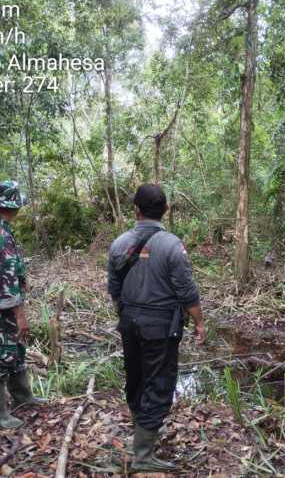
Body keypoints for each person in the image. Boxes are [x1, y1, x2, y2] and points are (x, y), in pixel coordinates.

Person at [108, 184, 205, 473]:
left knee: (136, 379)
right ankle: (142, 455)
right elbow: (187, 291)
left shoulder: (118, 243)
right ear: (166, 210)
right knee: (158, 384)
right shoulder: (172, 245)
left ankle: (141, 438)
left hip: (129, 323)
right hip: (161, 327)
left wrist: (129, 313)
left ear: (136, 210)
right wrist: (199, 323)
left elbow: (114, 288)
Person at [0, 180, 46, 429]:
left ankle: (23, 396)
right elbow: (7, 280)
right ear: (11, 207)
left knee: (14, 350)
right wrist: (20, 315)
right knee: (0, 355)